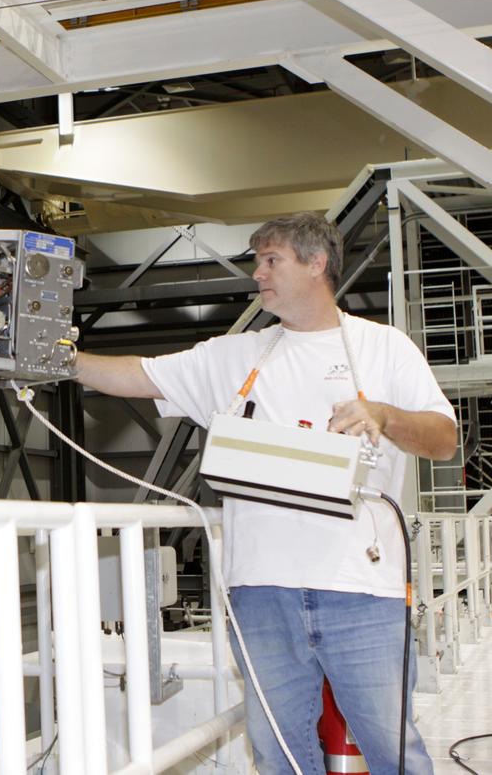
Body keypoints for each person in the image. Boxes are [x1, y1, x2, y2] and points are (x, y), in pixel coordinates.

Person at [77, 213, 457, 775]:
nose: (257, 274)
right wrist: (51, 358)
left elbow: (445, 439)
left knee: (393, 749)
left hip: (361, 589)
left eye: (271, 260)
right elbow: (137, 374)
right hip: (259, 591)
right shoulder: (237, 356)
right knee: (276, 751)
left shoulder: (384, 348)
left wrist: (385, 415)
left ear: (316, 263)